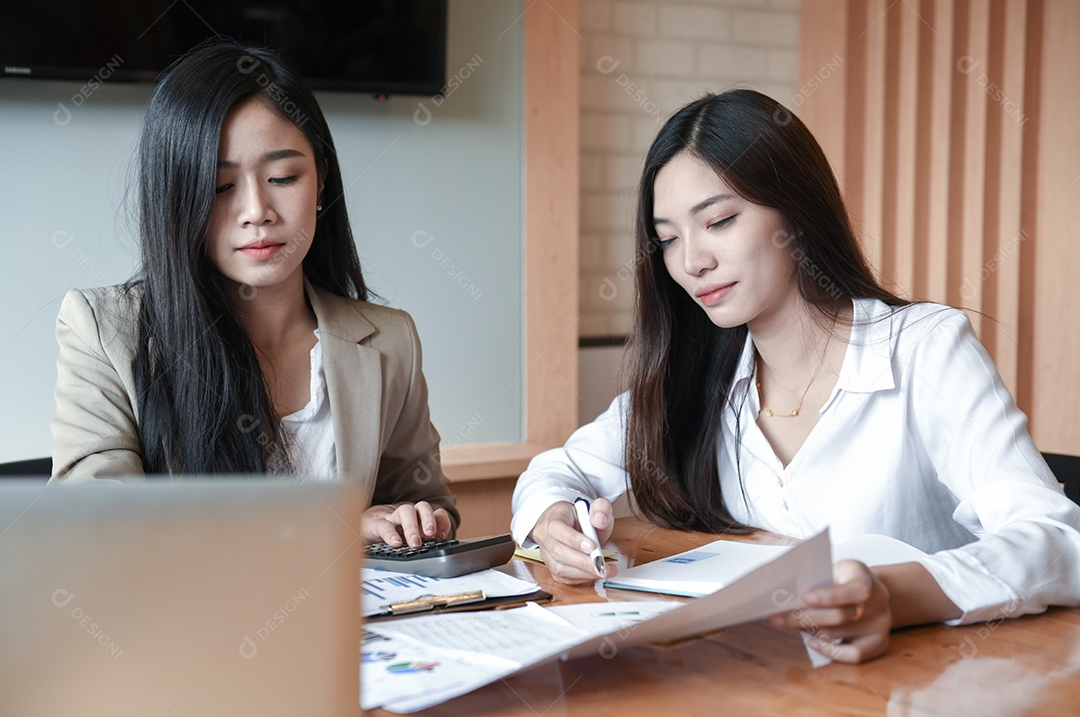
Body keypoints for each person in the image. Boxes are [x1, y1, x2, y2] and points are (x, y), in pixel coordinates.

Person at [511, 89, 1080, 663]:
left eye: (719, 221)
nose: (691, 262)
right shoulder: (693, 377)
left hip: (923, 683)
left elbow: (1056, 542)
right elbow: (554, 471)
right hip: (767, 683)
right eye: (668, 239)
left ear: (797, 213)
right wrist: (552, 521)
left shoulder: (924, 349)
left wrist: (891, 594)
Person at [50, 40, 458, 547]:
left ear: (322, 178)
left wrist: (415, 521)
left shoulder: (390, 339)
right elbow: (97, 529)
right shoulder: (103, 330)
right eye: (221, 187)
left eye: (283, 177)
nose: (256, 210)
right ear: (177, 198)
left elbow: (428, 502)